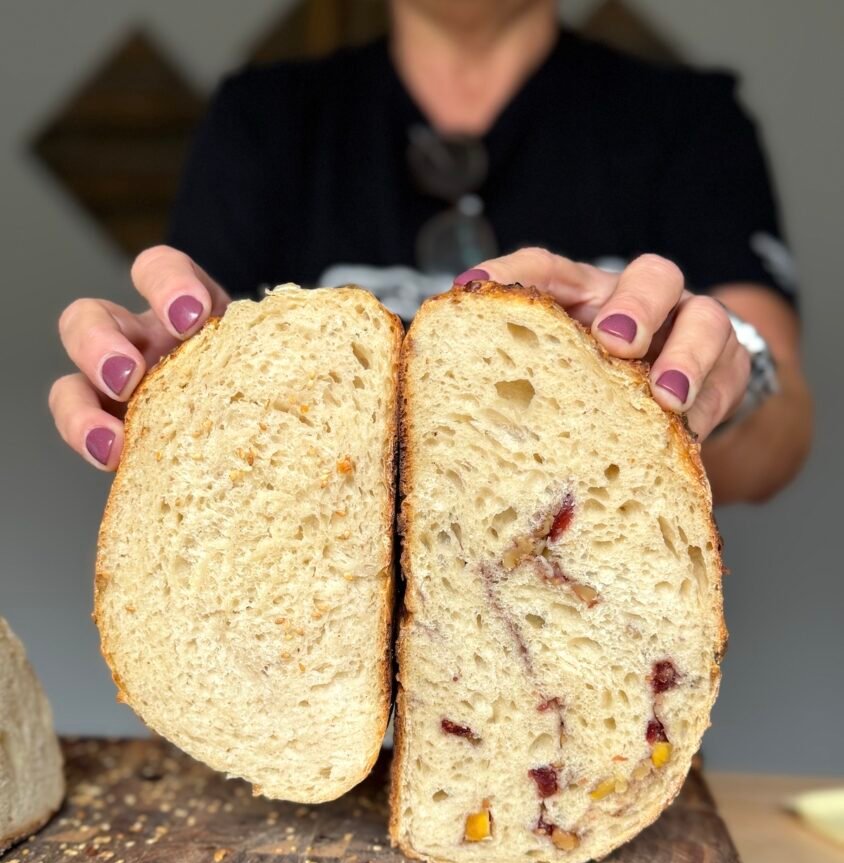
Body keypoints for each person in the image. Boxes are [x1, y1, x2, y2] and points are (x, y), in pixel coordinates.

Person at [49, 0, 812, 504]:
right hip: (297, 659)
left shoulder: (688, 119)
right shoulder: (265, 119)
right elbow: (200, 378)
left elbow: (780, 435)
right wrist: (161, 390)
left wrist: (729, 379)